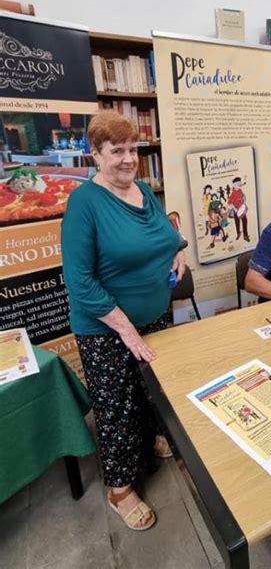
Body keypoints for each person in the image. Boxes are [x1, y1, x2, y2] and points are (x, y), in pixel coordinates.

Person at [61, 110, 186, 532]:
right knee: (118, 410)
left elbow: (164, 231)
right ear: (95, 154)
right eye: (117, 151)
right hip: (106, 329)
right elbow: (79, 283)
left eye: (133, 149)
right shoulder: (84, 203)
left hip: (154, 316)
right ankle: (120, 489)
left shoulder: (143, 190)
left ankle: (151, 441)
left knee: (153, 393)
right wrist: (127, 329)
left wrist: (178, 249)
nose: (128, 159)